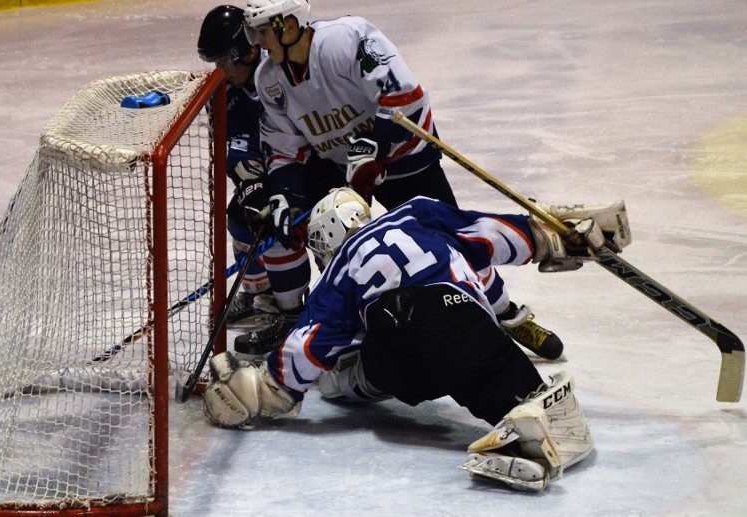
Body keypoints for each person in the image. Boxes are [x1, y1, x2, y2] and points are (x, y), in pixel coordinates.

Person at [202, 187, 633, 490]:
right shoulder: (418, 213)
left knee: (339, 375)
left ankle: (356, 382)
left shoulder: (336, 273)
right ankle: (525, 427)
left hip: (395, 356)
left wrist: (255, 390)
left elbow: (304, 352)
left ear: (327, 241)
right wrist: (551, 237)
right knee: (533, 402)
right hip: (462, 325)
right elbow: (489, 234)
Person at [241, 0, 564, 359]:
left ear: (289, 26)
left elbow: (407, 98)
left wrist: (373, 149)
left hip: (400, 155)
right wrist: (286, 192)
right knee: (321, 242)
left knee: (450, 241)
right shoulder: (269, 79)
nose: (258, 42)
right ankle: (320, 325)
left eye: (264, 31)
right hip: (337, 167)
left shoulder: (347, 40)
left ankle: (504, 314)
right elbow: (284, 147)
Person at [198, 5, 312, 354]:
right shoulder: (225, 94)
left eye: (224, 60)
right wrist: (252, 186)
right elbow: (237, 146)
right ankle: (262, 297)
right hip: (273, 166)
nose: (219, 70)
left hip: (308, 168)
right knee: (245, 217)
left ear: (248, 51)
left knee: (280, 226)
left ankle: (293, 313)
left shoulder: (281, 72)